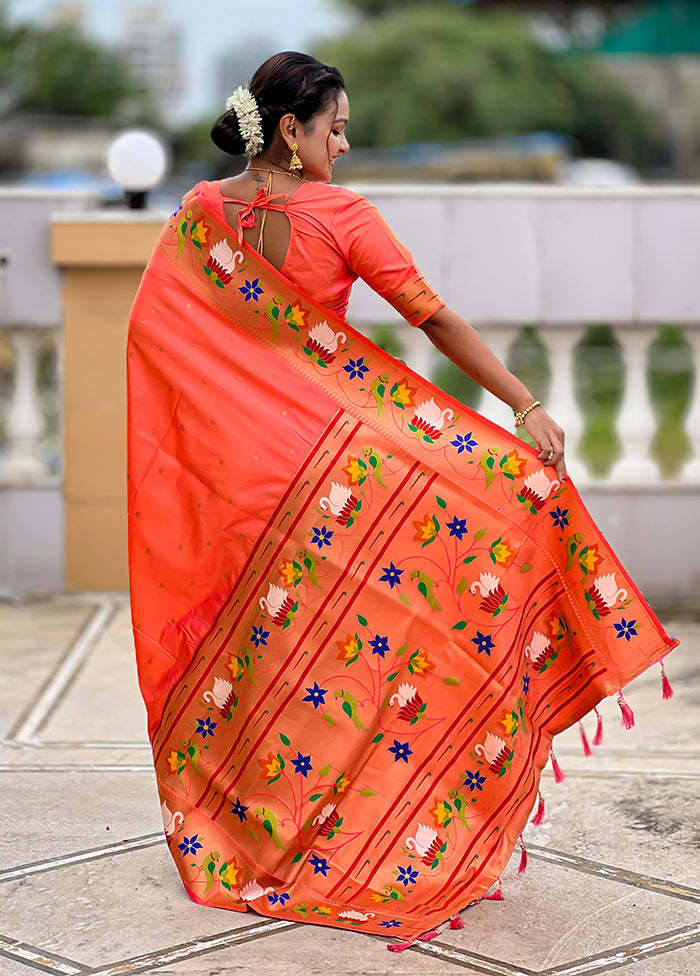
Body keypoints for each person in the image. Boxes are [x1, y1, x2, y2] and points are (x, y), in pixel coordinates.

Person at [127, 52, 676, 947]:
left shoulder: (200, 214)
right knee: (351, 643)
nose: (345, 143)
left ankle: (253, 836)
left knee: (264, 658)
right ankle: (346, 832)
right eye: (334, 127)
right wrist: (523, 403)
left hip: (235, 482)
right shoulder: (342, 215)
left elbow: (163, 336)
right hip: (325, 473)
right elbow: (433, 317)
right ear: (291, 128)